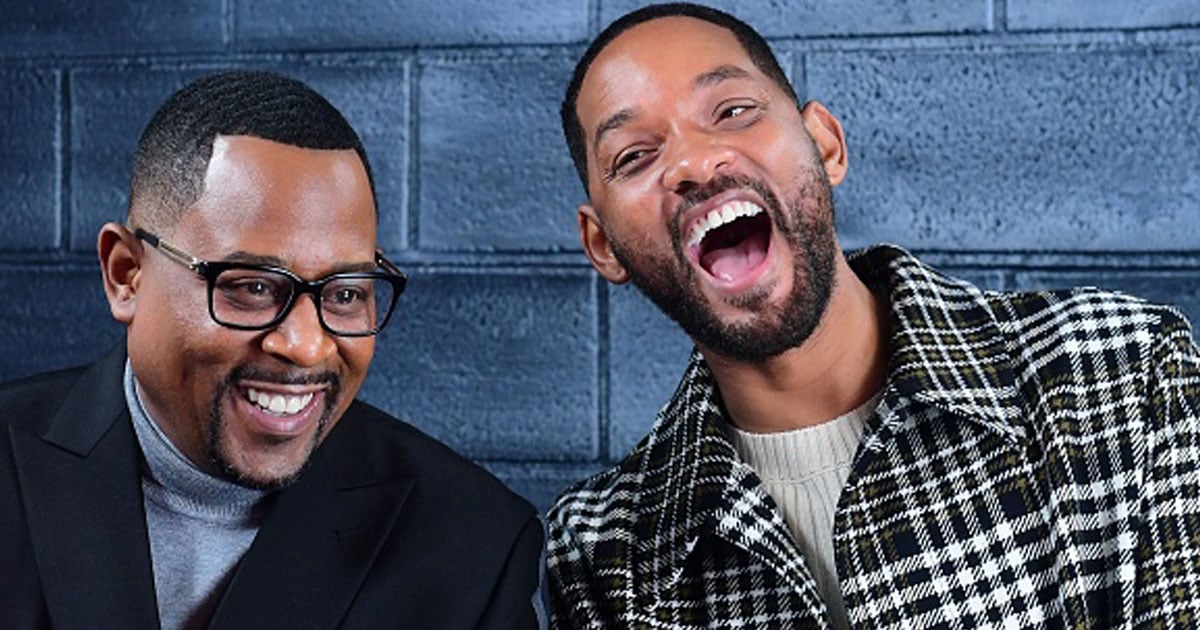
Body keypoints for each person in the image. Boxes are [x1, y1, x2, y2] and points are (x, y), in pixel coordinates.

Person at [545, 3, 1200, 628]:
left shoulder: (1128, 373)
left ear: (825, 144)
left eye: (733, 110)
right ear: (603, 245)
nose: (692, 162)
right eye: (634, 155)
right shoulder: (603, 551)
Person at [0, 71, 542, 629]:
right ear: (126, 275)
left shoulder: (472, 547)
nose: (306, 345)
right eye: (253, 286)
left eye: (346, 293)